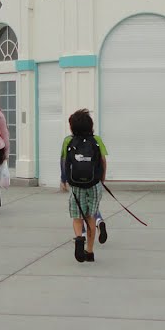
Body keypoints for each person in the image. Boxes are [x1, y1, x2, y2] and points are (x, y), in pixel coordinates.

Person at [59, 109, 108, 263]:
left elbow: (64, 162)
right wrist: (102, 179)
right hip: (93, 184)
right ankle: (90, 252)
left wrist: (64, 179)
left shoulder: (68, 141)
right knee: (91, 217)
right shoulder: (96, 140)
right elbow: (103, 161)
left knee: (77, 218)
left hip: (76, 186)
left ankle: (79, 238)